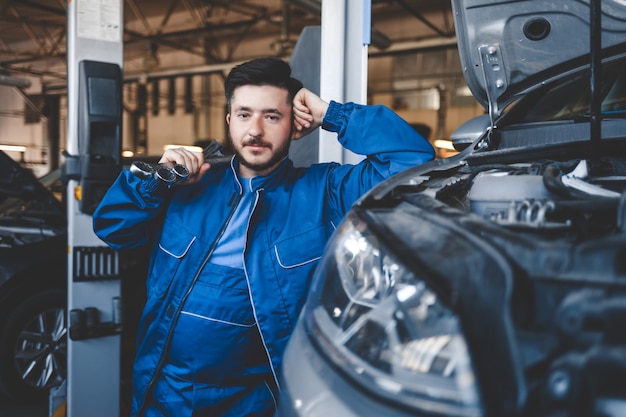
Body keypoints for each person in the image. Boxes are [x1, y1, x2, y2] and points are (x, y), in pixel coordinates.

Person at [92, 57, 435, 417]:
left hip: (255, 401)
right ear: (229, 121)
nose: (255, 129)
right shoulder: (185, 187)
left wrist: (332, 114)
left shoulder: (325, 192)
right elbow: (113, 227)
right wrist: (156, 179)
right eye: (244, 114)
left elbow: (412, 161)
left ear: (295, 126)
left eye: (272, 116)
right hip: (164, 394)